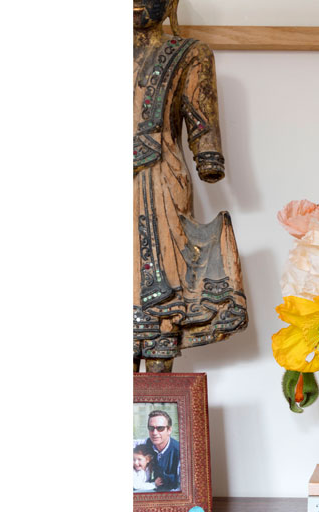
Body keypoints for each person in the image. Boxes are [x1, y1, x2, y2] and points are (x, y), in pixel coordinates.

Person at [133, 0, 248, 372]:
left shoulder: (187, 53)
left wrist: (208, 155)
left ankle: (160, 386)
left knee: (162, 283)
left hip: (159, 178)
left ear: (170, 4)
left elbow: (200, 116)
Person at [144, 409, 180, 491]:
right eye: (151, 428)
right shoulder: (146, 444)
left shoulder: (180, 452)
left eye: (160, 428)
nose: (154, 433)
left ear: (169, 430)